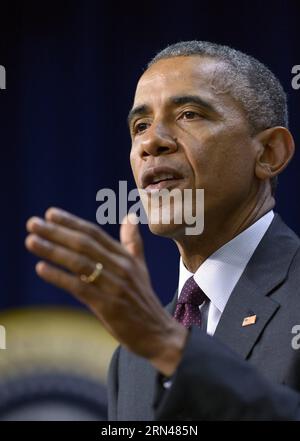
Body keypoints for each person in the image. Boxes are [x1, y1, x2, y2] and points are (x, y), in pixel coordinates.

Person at [25, 41, 300, 420]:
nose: (151, 142)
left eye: (188, 114)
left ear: (270, 153)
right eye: (140, 126)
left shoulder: (155, 337)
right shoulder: (133, 357)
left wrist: (169, 346)